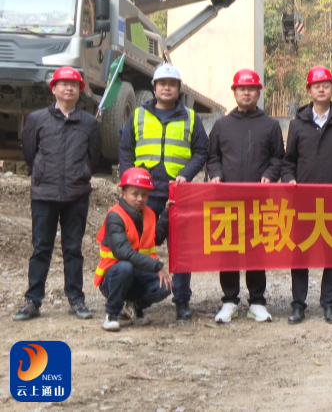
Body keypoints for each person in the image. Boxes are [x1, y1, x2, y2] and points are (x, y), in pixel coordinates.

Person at [118, 63, 209, 320]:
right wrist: (129, 180)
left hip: (176, 194)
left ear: (178, 89)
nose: (166, 88)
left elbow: (202, 150)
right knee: (137, 246)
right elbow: (125, 150)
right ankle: (134, 298)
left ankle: (182, 300)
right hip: (142, 196)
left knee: (180, 250)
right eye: (162, 84)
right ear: (154, 87)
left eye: (171, 84)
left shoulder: (191, 117)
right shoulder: (137, 115)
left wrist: (186, 174)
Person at [14, 67, 101, 321]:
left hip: (77, 194)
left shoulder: (89, 123)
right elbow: (30, 154)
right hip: (44, 194)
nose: (69, 88)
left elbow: (93, 157)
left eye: (74, 84)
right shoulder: (36, 119)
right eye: (63, 84)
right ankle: (32, 301)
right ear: (53, 89)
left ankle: (76, 299)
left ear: (79, 91)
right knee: (41, 248)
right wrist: (42, 174)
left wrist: (81, 173)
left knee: (73, 249)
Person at [282, 66, 332, 325]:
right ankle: (298, 304)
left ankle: (329, 304)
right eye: (316, 85)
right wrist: (289, 178)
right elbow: (288, 160)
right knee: (300, 252)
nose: (321, 89)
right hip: (302, 200)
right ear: (309, 91)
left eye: (326, 85)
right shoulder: (297, 124)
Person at [207, 69, 284, 324]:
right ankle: (229, 300)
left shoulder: (270, 125)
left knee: (255, 250)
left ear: (258, 93)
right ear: (235, 92)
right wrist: (216, 173)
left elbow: (278, 158)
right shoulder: (222, 125)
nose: (246, 93)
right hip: (227, 199)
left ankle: (257, 302)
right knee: (228, 249)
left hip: (258, 200)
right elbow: (213, 157)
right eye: (242, 89)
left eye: (251, 89)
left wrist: (270, 175)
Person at [94, 168, 173, 332]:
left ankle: (135, 306)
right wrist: (157, 266)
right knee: (125, 267)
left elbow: (156, 238)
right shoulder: (115, 216)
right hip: (113, 277)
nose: (140, 199)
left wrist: (166, 214)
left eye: (144, 195)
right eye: (135, 194)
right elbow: (123, 253)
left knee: (165, 286)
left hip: (137, 274)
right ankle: (112, 313)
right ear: (123, 193)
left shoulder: (149, 214)